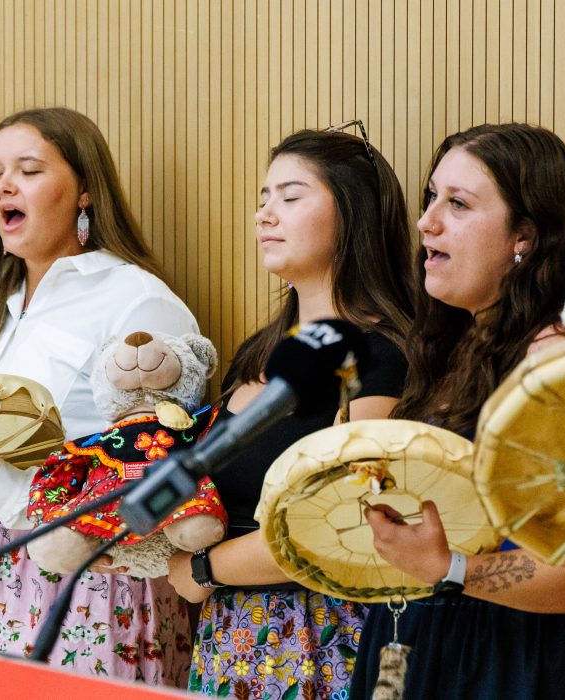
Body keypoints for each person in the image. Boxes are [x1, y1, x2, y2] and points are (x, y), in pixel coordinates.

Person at [0, 107, 199, 691]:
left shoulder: (137, 301)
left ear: (86, 192)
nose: (5, 187)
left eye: (28, 169)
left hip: (85, 590)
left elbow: (155, 484)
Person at [351, 123, 565, 700]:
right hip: (429, 643)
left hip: (519, 660)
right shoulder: (454, 347)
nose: (427, 221)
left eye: (458, 204)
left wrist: (450, 569)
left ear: (523, 237)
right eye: (432, 197)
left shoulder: (561, 360)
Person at [166, 125, 415, 699]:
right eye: (263, 198)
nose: (265, 215)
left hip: (323, 642)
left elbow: (348, 517)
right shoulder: (256, 353)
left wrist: (205, 570)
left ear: (352, 215)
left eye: (291, 196)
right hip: (230, 644)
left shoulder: (383, 354)